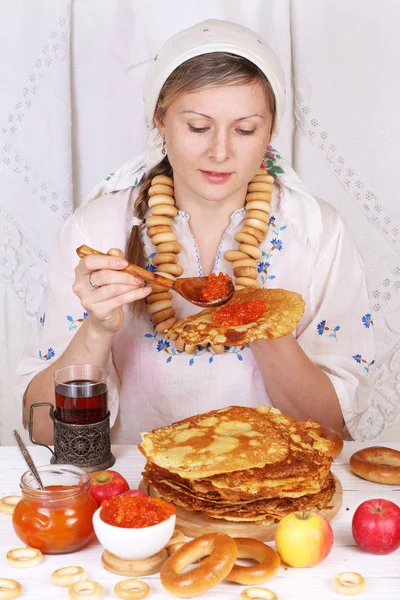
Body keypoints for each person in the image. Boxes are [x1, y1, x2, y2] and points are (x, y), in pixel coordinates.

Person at [15, 19, 376, 445]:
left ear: (270, 131)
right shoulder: (96, 229)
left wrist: (256, 318)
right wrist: (97, 329)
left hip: (272, 496)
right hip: (136, 498)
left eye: (245, 129)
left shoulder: (317, 233)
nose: (220, 151)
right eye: (198, 127)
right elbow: (45, 433)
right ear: (161, 122)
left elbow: (330, 430)